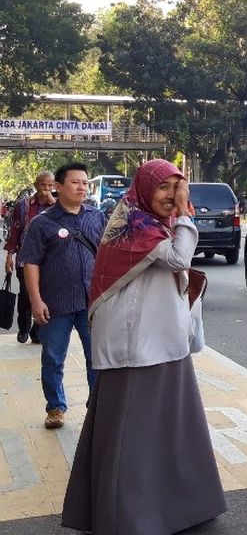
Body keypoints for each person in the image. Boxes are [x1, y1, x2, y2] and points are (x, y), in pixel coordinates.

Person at [62, 159, 226, 534]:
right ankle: (128, 516)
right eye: (164, 188)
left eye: (177, 187)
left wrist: (178, 216)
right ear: (145, 188)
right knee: (131, 435)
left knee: (172, 428)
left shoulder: (151, 223)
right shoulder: (135, 224)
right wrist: (186, 213)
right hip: (135, 344)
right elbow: (179, 258)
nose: (171, 196)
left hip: (164, 339)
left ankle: (181, 507)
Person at [17, 163, 105, 428]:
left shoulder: (97, 217)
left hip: (91, 304)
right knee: (53, 358)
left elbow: (106, 256)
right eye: (75, 182)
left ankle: (97, 407)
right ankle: (55, 407)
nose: (82, 187)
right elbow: (31, 262)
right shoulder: (41, 224)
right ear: (58, 187)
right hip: (56, 303)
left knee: (97, 359)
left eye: (85, 182)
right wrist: (36, 300)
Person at [4, 171, 56, 345]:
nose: (47, 189)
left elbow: (65, 227)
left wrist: (55, 204)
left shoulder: (58, 206)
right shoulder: (23, 205)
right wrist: (9, 255)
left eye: (50, 185)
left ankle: (37, 329)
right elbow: (15, 230)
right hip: (25, 258)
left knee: (45, 295)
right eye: (43, 185)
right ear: (36, 185)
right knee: (26, 295)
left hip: (49, 260)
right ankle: (24, 328)